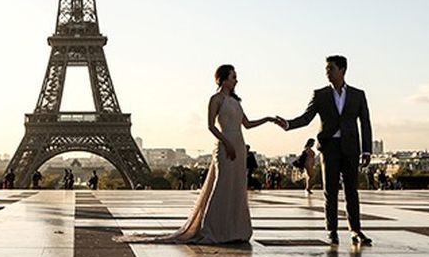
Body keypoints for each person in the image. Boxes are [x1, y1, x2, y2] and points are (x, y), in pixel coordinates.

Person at [126, 65, 274, 245]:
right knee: (221, 187)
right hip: (226, 146)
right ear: (223, 79)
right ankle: (213, 229)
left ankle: (233, 230)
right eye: (233, 77)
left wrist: (268, 119)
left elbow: (248, 124)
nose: (236, 80)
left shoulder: (236, 101)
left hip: (239, 146)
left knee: (236, 189)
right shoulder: (216, 99)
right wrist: (227, 143)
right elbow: (211, 125)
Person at [275, 55, 374, 247]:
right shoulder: (320, 95)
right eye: (326, 69)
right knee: (330, 190)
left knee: (351, 190)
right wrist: (287, 124)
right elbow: (306, 118)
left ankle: (355, 230)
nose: (327, 72)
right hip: (329, 148)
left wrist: (367, 150)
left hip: (351, 148)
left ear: (342, 70)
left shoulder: (357, 94)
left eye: (331, 69)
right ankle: (332, 231)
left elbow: (365, 123)